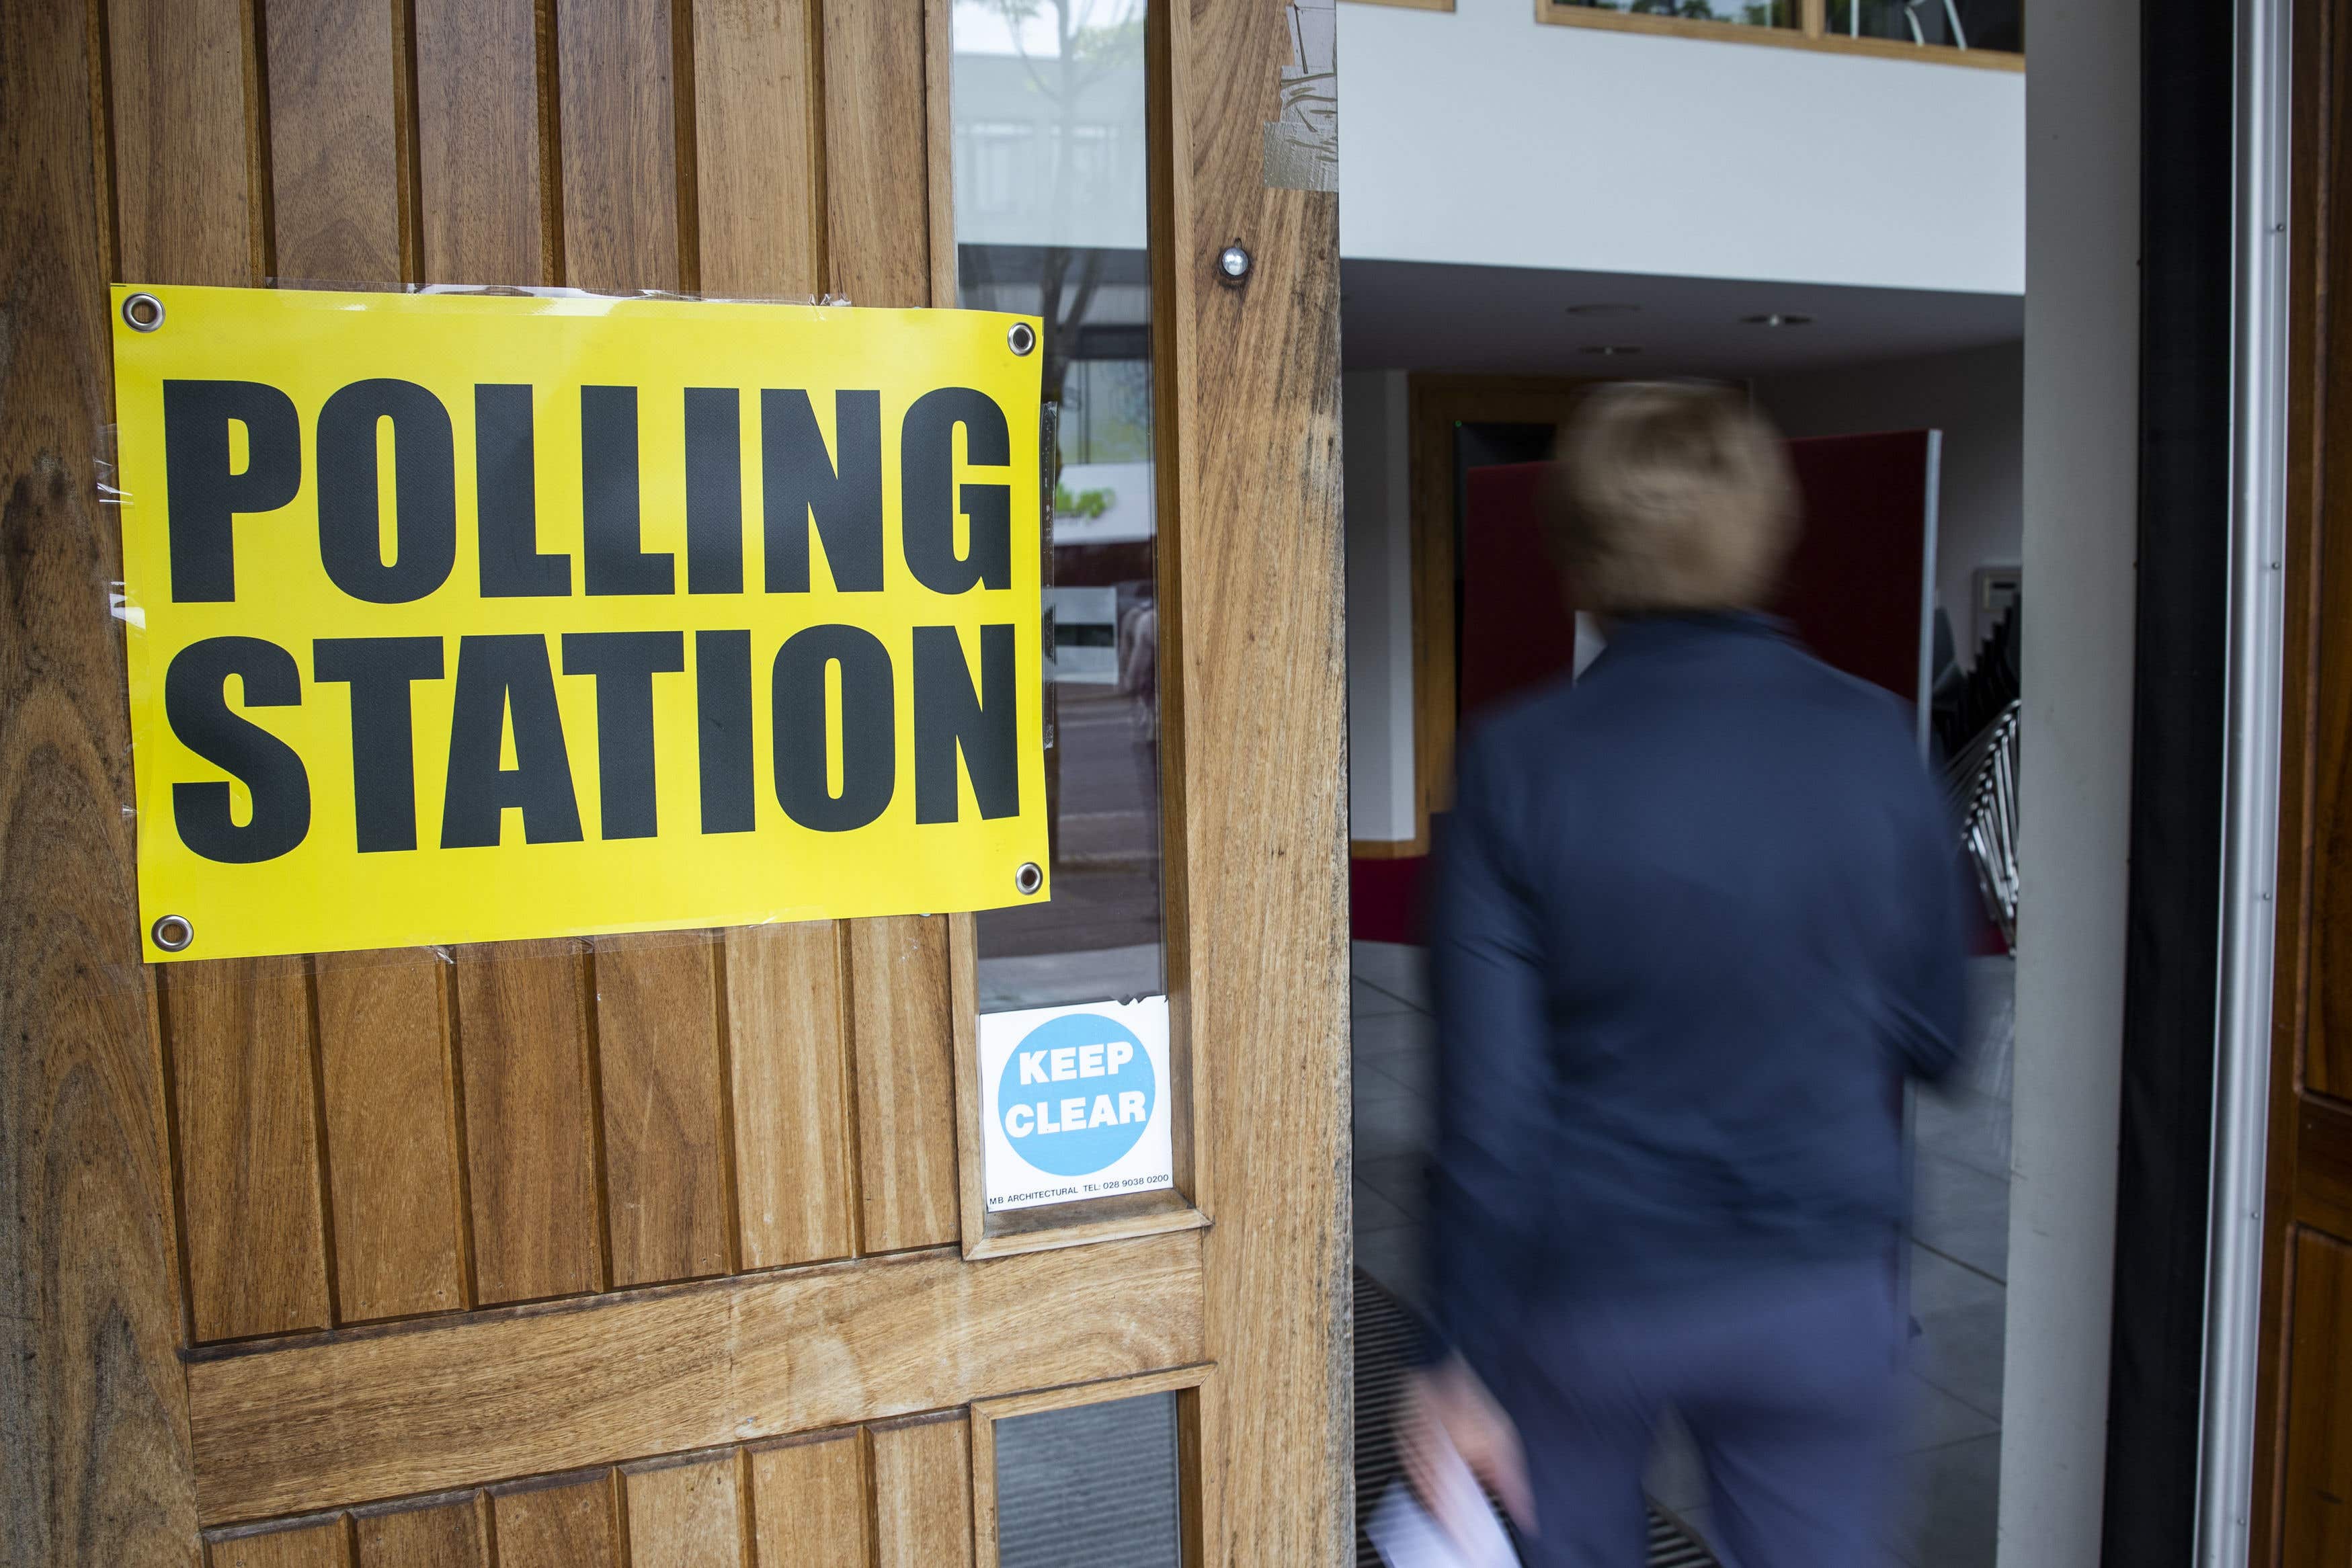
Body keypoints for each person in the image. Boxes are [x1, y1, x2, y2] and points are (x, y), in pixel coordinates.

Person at [1400, 382, 1967, 1568]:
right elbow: (1939, 1034)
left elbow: (1491, 1117)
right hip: (1819, 1288)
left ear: (1582, 551)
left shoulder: (1517, 761)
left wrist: (1456, 1354)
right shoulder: (1876, 741)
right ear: (1763, 528)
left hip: (1588, 1301)